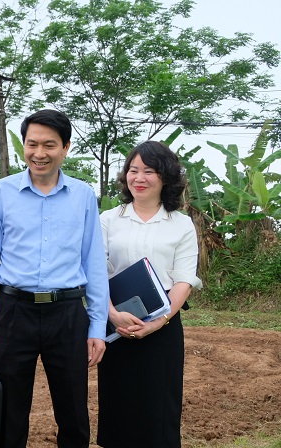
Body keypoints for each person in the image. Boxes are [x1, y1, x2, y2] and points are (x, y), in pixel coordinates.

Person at [0, 109, 109, 447]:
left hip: (67, 314)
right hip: (14, 311)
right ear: (24, 145)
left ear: (65, 148)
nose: (39, 153)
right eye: (32, 144)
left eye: (49, 145)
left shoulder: (83, 195)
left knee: (73, 413)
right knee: (8, 411)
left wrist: (97, 327)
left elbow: (93, 262)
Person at [96, 141, 202, 448]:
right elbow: (97, 272)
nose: (138, 178)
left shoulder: (180, 224)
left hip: (162, 325)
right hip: (116, 322)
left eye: (149, 171)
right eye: (133, 170)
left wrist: (160, 321)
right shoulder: (108, 219)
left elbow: (183, 278)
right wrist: (112, 313)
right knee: (119, 408)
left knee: (160, 408)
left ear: (166, 177)